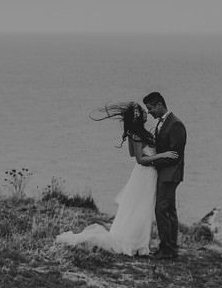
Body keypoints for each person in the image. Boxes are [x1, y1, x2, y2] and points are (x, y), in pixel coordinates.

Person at [55, 102, 179, 256]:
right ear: (138, 117)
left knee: (141, 208)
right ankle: (135, 243)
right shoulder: (137, 134)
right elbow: (139, 159)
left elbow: (132, 153)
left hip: (146, 174)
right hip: (145, 174)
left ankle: (140, 242)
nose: (146, 113)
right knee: (140, 209)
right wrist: (162, 155)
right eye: (143, 111)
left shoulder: (136, 133)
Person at [142, 91, 186, 260]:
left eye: (151, 108)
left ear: (159, 105)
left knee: (161, 210)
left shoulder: (175, 124)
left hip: (170, 174)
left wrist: (152, 162)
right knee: (169, 210)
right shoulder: (163, 123)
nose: (149, 112)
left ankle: (167, 249)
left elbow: (175, 155)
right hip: (166, 173)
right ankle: (170, 248)